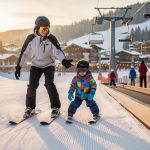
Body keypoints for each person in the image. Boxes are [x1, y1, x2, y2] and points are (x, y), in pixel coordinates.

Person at [15, 16, 73, 118]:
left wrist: (64, 61)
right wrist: (18, 67)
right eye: (43, 29)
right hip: (36, 65)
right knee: (32, 86)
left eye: (47, 29)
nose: (45, 31)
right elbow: (24, 53)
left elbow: (58, 51)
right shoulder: (30, 38)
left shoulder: (51, 38)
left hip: (49, 65)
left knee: (49, 84)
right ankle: (30, 108)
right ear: (37, 28)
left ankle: (55, 108)